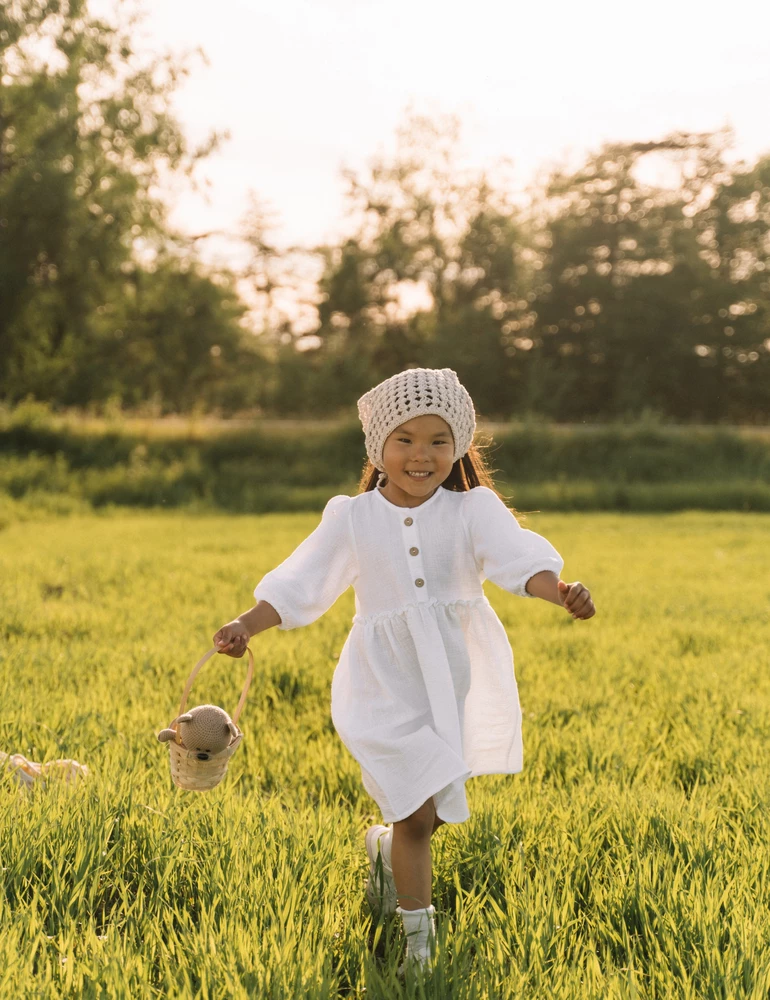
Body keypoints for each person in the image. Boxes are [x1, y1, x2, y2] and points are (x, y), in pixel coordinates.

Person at [213, 367, 596, 975]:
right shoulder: (353, 518)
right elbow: (301, 582)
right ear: (379, 447)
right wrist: (245, 625)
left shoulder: (473, 509)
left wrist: (562, 591)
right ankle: (419, 944)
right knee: (417, 813)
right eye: (406, 439)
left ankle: (385, 850)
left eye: (438, 440)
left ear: (460, 446)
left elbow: (518, 559)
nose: (422, 455)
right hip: (379, 685)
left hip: (448, 680)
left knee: (432, 812)